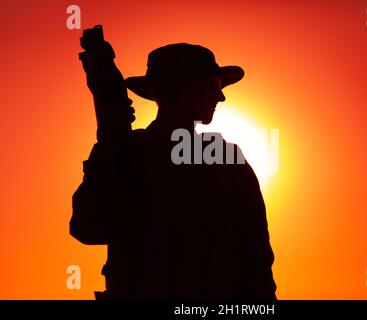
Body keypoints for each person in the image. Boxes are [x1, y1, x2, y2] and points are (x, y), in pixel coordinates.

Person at [70, 43, 276, 299]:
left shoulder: (226, 159)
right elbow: (88, 228)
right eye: (213, 86)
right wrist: (110, 143)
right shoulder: (126, 152)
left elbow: (256, 259)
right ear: (186, 89)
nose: (220, 97)